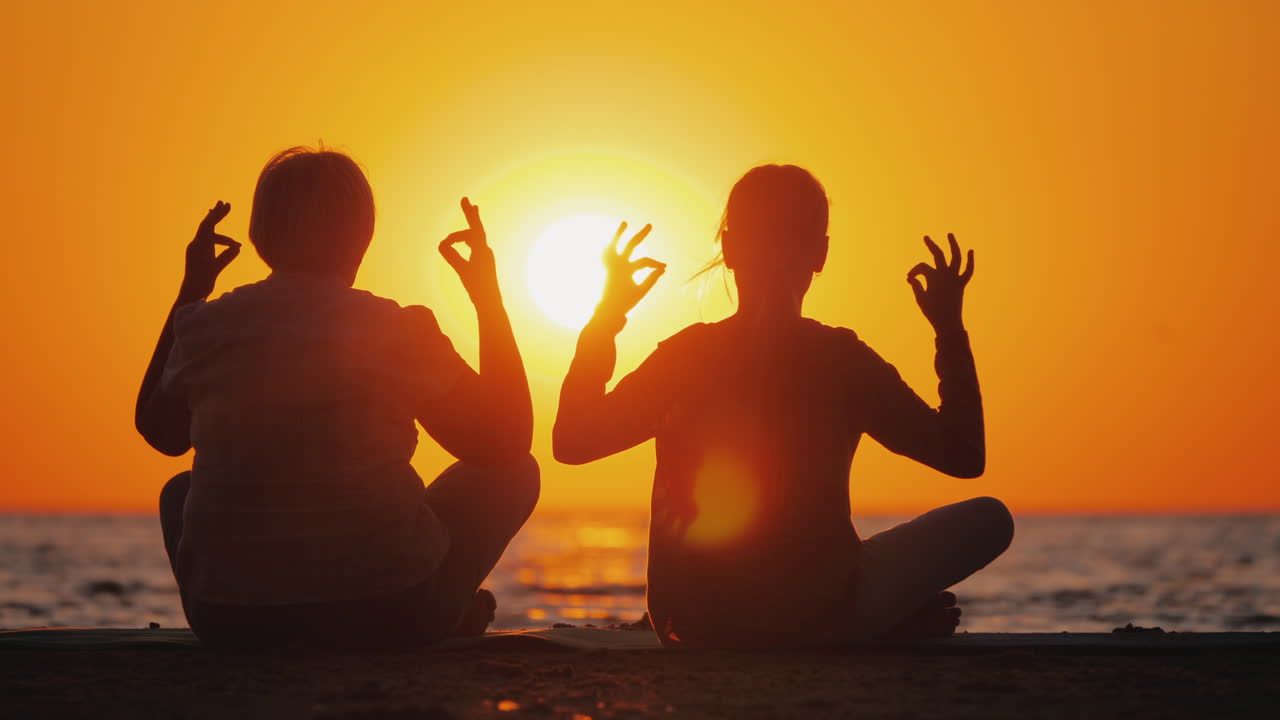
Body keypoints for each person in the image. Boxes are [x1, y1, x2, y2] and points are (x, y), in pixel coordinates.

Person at [554, 164, 1013, 648]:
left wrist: (606, 318)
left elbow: (572, 442)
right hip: (816, 613)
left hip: (688, 620)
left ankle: (887, 615)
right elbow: (963, 456)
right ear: (821, 253)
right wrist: (948, 328)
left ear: (729, 249)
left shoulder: (684, 357)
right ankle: (887, 619)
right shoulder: (842, 360)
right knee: (991, 518)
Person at [135, 147, 538, 649]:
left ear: (260, 237)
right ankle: (448, 606)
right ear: (362, 239)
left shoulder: (204, 325)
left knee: (180, 489)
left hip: (228, 622)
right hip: (391, 613)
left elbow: (159, 432)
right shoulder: (397, 330)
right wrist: (488, 300)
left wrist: (190, 291)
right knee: (519, 471)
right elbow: (508, 442)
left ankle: (438, 603)